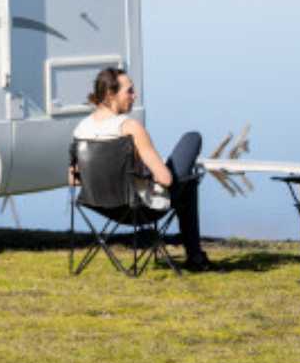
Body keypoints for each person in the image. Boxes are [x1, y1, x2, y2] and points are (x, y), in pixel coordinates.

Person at [71, 66, 212, 271]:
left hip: (99, 205)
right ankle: (195, 256)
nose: (134, 95)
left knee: (187, 181)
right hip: (140, 208)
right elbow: (165, 180)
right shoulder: (129, 128)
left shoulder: (81, 129)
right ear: (111, 95)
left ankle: (196, 257)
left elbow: (73, 179)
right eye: (129, 91)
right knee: (192, 144)